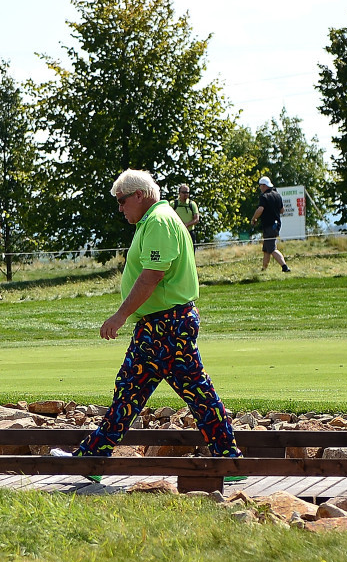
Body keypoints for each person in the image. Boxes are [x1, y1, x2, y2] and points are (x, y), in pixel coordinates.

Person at [51, 169, 242, 471]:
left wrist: (120, 316)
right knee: (157, 390)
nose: (120, 208)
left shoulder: (158, 222)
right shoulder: (154, 220)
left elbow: (153, 275)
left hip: (165, 324)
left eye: (122, 201)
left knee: (140, 389)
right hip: (166, 324)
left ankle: (94, 458)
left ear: (138, 195)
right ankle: (228, 460)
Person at [250, 176, 290, 272]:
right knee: (266, 249)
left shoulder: (264, 196)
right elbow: (282, 210)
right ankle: (264, 270)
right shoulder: (277, 195)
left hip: (269, 225)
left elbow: (260, 209)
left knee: (272, 249)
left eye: (260, 186)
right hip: (276, 225)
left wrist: (254, 218)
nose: (260, 188)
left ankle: (285, 267)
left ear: (264, 185)